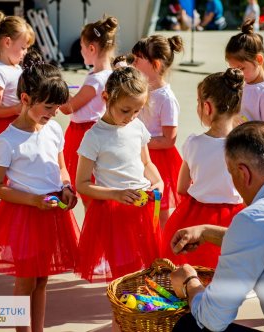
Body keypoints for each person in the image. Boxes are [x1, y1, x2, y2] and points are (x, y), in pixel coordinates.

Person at [170, 121, 264, 332]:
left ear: (243, 172)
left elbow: (213, 318)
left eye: (230, 173)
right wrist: (207, 232)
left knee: (190, 325)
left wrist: (190, 282)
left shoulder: (254, 218)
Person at [0, 53, 80, 332]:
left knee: (42, 280)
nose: (53, 113)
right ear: (25, 100)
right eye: (48, 107)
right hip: (24, 217)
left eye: (57, 108)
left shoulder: (54, 130)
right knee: (25, 282)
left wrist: (66, 187)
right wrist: (34, 200)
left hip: (52, 215)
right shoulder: (6, 141)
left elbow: (60, 168)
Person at [75, 66, 164, 281]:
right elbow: (82, 184)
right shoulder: (94, 136)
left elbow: (146, 162)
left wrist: (158, 181)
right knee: (124, 275)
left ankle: (139, 314)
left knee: (147, 271)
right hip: (114, 214)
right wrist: (115, 194)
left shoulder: (137, 127)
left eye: (137, 110)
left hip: (142, 208)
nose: (131, 117)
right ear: (106, 98)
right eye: (126, 110)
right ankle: (122, 315)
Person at [162, 68, 245, 269]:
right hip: (234, 218)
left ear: (207, 107)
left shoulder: (193, 144)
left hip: (196, 216)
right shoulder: (245, 145)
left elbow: (182, 188)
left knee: (193, 268)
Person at [59, 16, 117, 209]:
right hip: (94, 131)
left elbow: (68, 108)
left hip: (83, 134)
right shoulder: (108, 74)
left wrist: (57, 93)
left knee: (86, 186)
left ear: (91, 49)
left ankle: (93, 231)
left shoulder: (96, 80)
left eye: (82, 47)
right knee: (93, 185)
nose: (81, 51)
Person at [132, 35, 184, 228]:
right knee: (139, 206)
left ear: (155, 64)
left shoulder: (166, 98)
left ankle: (161, 250)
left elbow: (169, 140)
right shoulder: (139, 90)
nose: (133, 61)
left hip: (158, 160)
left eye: (138, 58)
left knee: (159, 211)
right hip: (139, 157)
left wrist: (138, 142)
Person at [0, 11, 35, 142]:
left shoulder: (18, 68)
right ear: (7, 42)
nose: (26, 52)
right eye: (23, 47)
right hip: (6, 129)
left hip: (21, 124)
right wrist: (16, 109)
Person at [225, 19, 264, 127]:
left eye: (241, 68)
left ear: (259, 60)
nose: (237, 74)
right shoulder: (243, 84)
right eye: (232, 69)